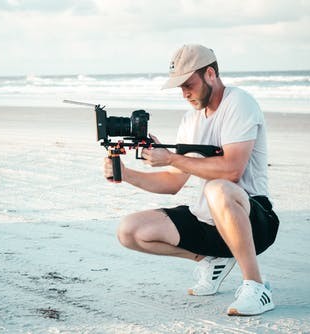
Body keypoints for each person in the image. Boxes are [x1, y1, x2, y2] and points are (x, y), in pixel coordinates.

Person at [103, 44, 279, 316]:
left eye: (189, 84)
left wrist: (172, 158)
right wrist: (126, 174)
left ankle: (257, 286)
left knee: (218, 188)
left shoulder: (239, 103)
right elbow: (173, 184)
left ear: (210, 74)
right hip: (208, 222)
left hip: (254, 219)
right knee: (129, 230)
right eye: (180, 87)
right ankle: (211, 260)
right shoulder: (190, 119)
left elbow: (232, 170)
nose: (184, 93)